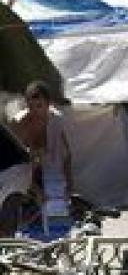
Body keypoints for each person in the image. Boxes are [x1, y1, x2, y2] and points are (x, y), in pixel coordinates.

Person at [10, 80, 75, 230]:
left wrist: (70, 183)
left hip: (50, 174)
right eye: (31, 106)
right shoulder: (21, 123)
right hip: (24, 174)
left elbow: (65, 155)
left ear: (48, 104)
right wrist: (34, 189)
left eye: (39, 106)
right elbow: (17, 162)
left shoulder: (56, 120)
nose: (35, 111)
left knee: (58, 211)